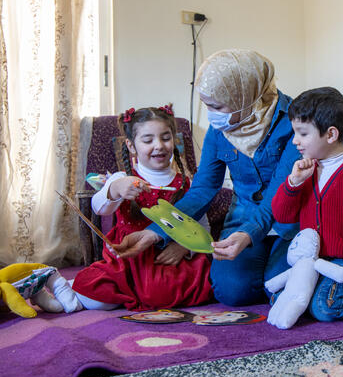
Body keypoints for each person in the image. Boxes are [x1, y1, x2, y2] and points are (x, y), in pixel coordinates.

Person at [113, 50, 301, 306]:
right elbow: (203, 188)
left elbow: (278, 193)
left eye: (216, 106)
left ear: (244, 97)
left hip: (290, 222)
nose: (211, 115)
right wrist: (156, 232)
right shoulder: (221, 126)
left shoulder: (295, 121)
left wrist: (248, 235)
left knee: (280, 289)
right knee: (230, 292)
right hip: (244, 218)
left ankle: (280, 273)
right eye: (206, 105)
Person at [71, 105, 213, 311]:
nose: (159, 146)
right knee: (94, 295)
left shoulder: (187, 184)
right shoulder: (123, 179)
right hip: (130, 259)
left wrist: (185, 248)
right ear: (131, 145)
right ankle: (59, 286)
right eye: (148, 140)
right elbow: (100, 207)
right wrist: (115, 189)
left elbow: (202, 227)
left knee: (198, 288)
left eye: (166, 138)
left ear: (174, 141)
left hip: (169, 257)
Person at [270, 87, 343, 322]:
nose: (295, 141)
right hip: (311, 261)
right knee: (276, 296)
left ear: (331, 134)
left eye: (303, 134)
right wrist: (293, 183)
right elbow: (282, 215)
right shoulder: (306, 169)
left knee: (326, 308)